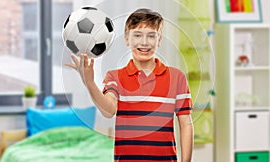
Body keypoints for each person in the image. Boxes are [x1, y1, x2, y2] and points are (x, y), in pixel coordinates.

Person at [65, 8, 194, 162]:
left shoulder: (176, 77)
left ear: (159, 40)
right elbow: (109, 110)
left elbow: (186, 124)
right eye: (137, 35)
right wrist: (90, 83)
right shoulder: (115, 77)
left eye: (151, 36)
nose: (144, 42)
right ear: (127, 39)